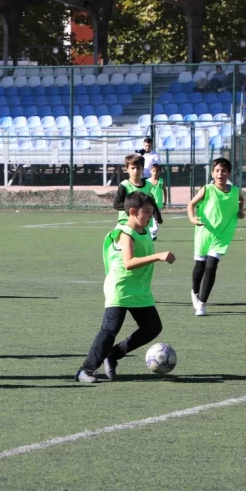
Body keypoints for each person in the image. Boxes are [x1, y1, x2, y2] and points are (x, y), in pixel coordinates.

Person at [76, 191, 175, 383]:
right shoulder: (125, 233)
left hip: (139, 288)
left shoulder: (143, 229)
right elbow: (128, 262)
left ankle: (113, 354)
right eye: (146, 212)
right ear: (132, 211)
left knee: (152, 327)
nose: (150, 216)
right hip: (120, 287)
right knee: (110, 329)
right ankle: (85, 370)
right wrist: (158, 256)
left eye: (151, 211)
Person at [187, 157, 245, 316]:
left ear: (229, 173)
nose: (221, 174)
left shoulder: (234, 190)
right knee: (199, 267)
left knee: (211, 266)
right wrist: (192, 218)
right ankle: (194, 291)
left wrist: (240, 211)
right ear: (212, 173)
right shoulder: (207, 189)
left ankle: (202, 304)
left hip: (222, 235)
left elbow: (241, 199)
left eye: (224, 171)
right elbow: (191, 205)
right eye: (217, 171)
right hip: (204, 233)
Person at [114, 154, 163, 236]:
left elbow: (152, 202)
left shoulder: (148, 185)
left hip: (144, 224)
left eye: (138, 168)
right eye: (133, 168)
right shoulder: (124, 185)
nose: (135, 171)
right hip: (127, 224)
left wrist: (157, 215)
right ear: (127, 169)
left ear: (142, 169)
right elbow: (116, 204)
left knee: (146, 248)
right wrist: (136, 210)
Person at [148, 163, 166, 241]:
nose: (155, 172)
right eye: (153, 171)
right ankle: (151, 234)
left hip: (158, 204)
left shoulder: (161, 181)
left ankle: (153, 233)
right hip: (149, 204)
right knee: (149, 218)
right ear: (150, 171)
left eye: (157, 171)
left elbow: (164, 190)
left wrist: (165, 201)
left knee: (157, 219)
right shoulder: (147, 182)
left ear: (160, 172)